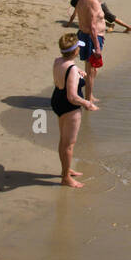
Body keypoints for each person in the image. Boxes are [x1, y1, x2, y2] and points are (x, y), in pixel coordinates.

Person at [50, 31, 97, 188]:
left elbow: (62, 75)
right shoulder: (71, 68)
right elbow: (72, 96)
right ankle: (65, 178)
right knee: (69, 143)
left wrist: (78, 72)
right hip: (68, 106)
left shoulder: (58, 61)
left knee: (63, 140)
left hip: (56, 100)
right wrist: (87, 103)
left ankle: (66, 168)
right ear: (76, 51)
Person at [75, 0, 108, 103]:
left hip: (84, 35)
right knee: (91, 69)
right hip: (91, 38)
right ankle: (88, 99)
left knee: (92, 69)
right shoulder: (93, 1)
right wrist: (97, 47)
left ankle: (89, 94)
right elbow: (93, 26)